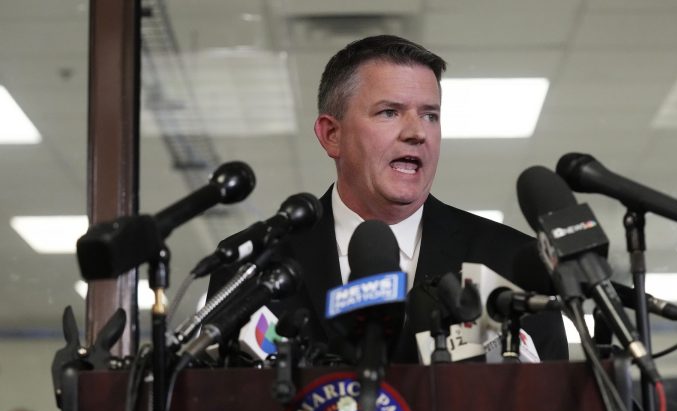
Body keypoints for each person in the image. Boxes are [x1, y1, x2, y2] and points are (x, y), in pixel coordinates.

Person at [212, 34, 568, 364]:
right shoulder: (253, 268)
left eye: (430, 115)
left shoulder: (514, 267)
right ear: (332, 135)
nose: (417, 133)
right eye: (389, 112)